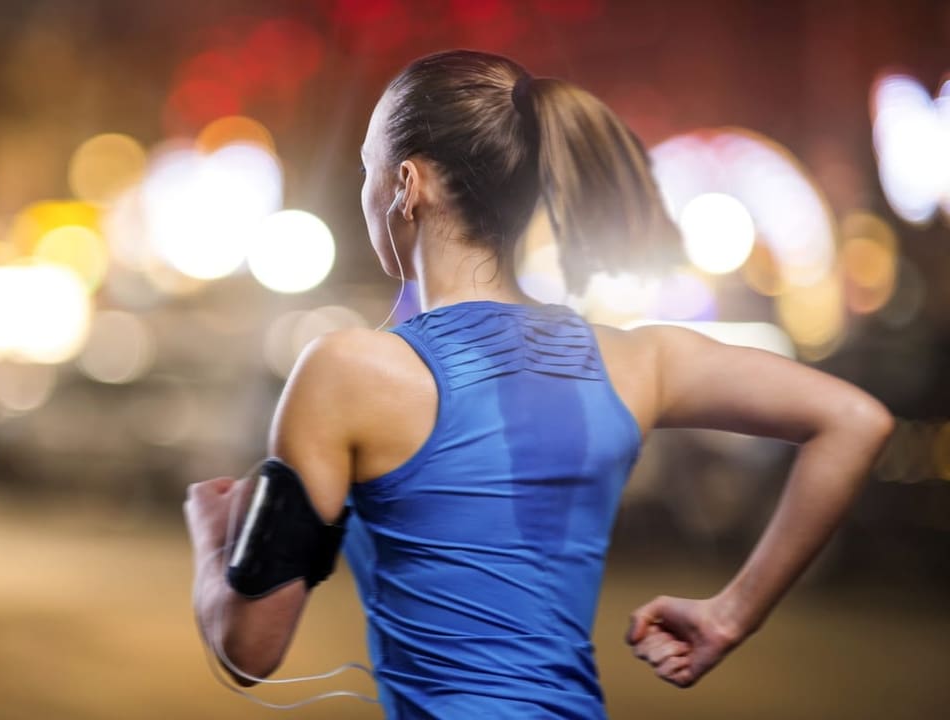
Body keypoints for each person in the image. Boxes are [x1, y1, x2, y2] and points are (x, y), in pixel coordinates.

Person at [184, 50, 894, 718]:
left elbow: (250, 650)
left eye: (368, 169)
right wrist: (732, 615)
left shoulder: (347, 369)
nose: (365, 190)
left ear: (408, 185)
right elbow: (856, 419)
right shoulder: (641, 361)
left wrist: (215, 541)